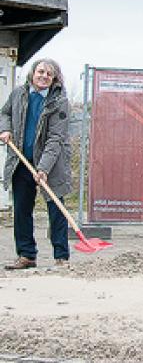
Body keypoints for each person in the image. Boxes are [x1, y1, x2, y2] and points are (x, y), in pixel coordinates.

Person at [0, 59, 72, 270]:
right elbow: (4, 113)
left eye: (49, 74)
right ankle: (26, 255)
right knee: (22, 209)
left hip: (52, 163)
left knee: (55, 208)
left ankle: (61, 256)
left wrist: (43, 168)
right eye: (41, 71)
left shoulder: (59, 102)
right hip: (21, 160)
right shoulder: (18, 95)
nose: (44, 76)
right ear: (33, 73)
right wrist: (5, 130)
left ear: (55, 79)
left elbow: (55, 138)